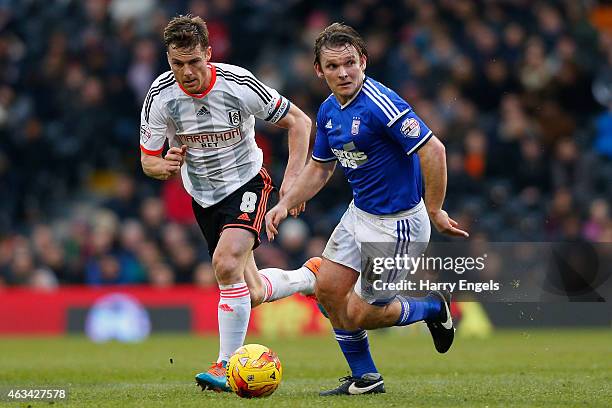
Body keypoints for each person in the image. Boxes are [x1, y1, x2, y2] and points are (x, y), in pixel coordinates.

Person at [265, 23, 469, 396]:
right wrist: (285, 202)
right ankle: (366, 378)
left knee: (362, 313)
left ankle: (432, 309)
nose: (342, 73)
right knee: (327, 292)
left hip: (397, 226)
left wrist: (435, 209)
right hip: (360, 215)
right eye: (332, 66)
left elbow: (433, 150)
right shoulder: (328, 110)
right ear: (319, 70)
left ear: (363, 61)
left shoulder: (380, 104)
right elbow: (321, 166)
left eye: (349, 63)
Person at [139, 15, 320, 392]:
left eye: (193, 62)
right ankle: (309, 277)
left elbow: (300, 122)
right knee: (249, 291)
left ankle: (225, 365)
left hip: (247, 183)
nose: (186, 72)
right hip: (203, 197)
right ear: (168, 61)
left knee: (224, 264)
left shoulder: (239, 85)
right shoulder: (161, 96)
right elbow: (147, 160)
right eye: (177, 64)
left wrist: (293, 180)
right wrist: (164, 165)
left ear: (208, 53)